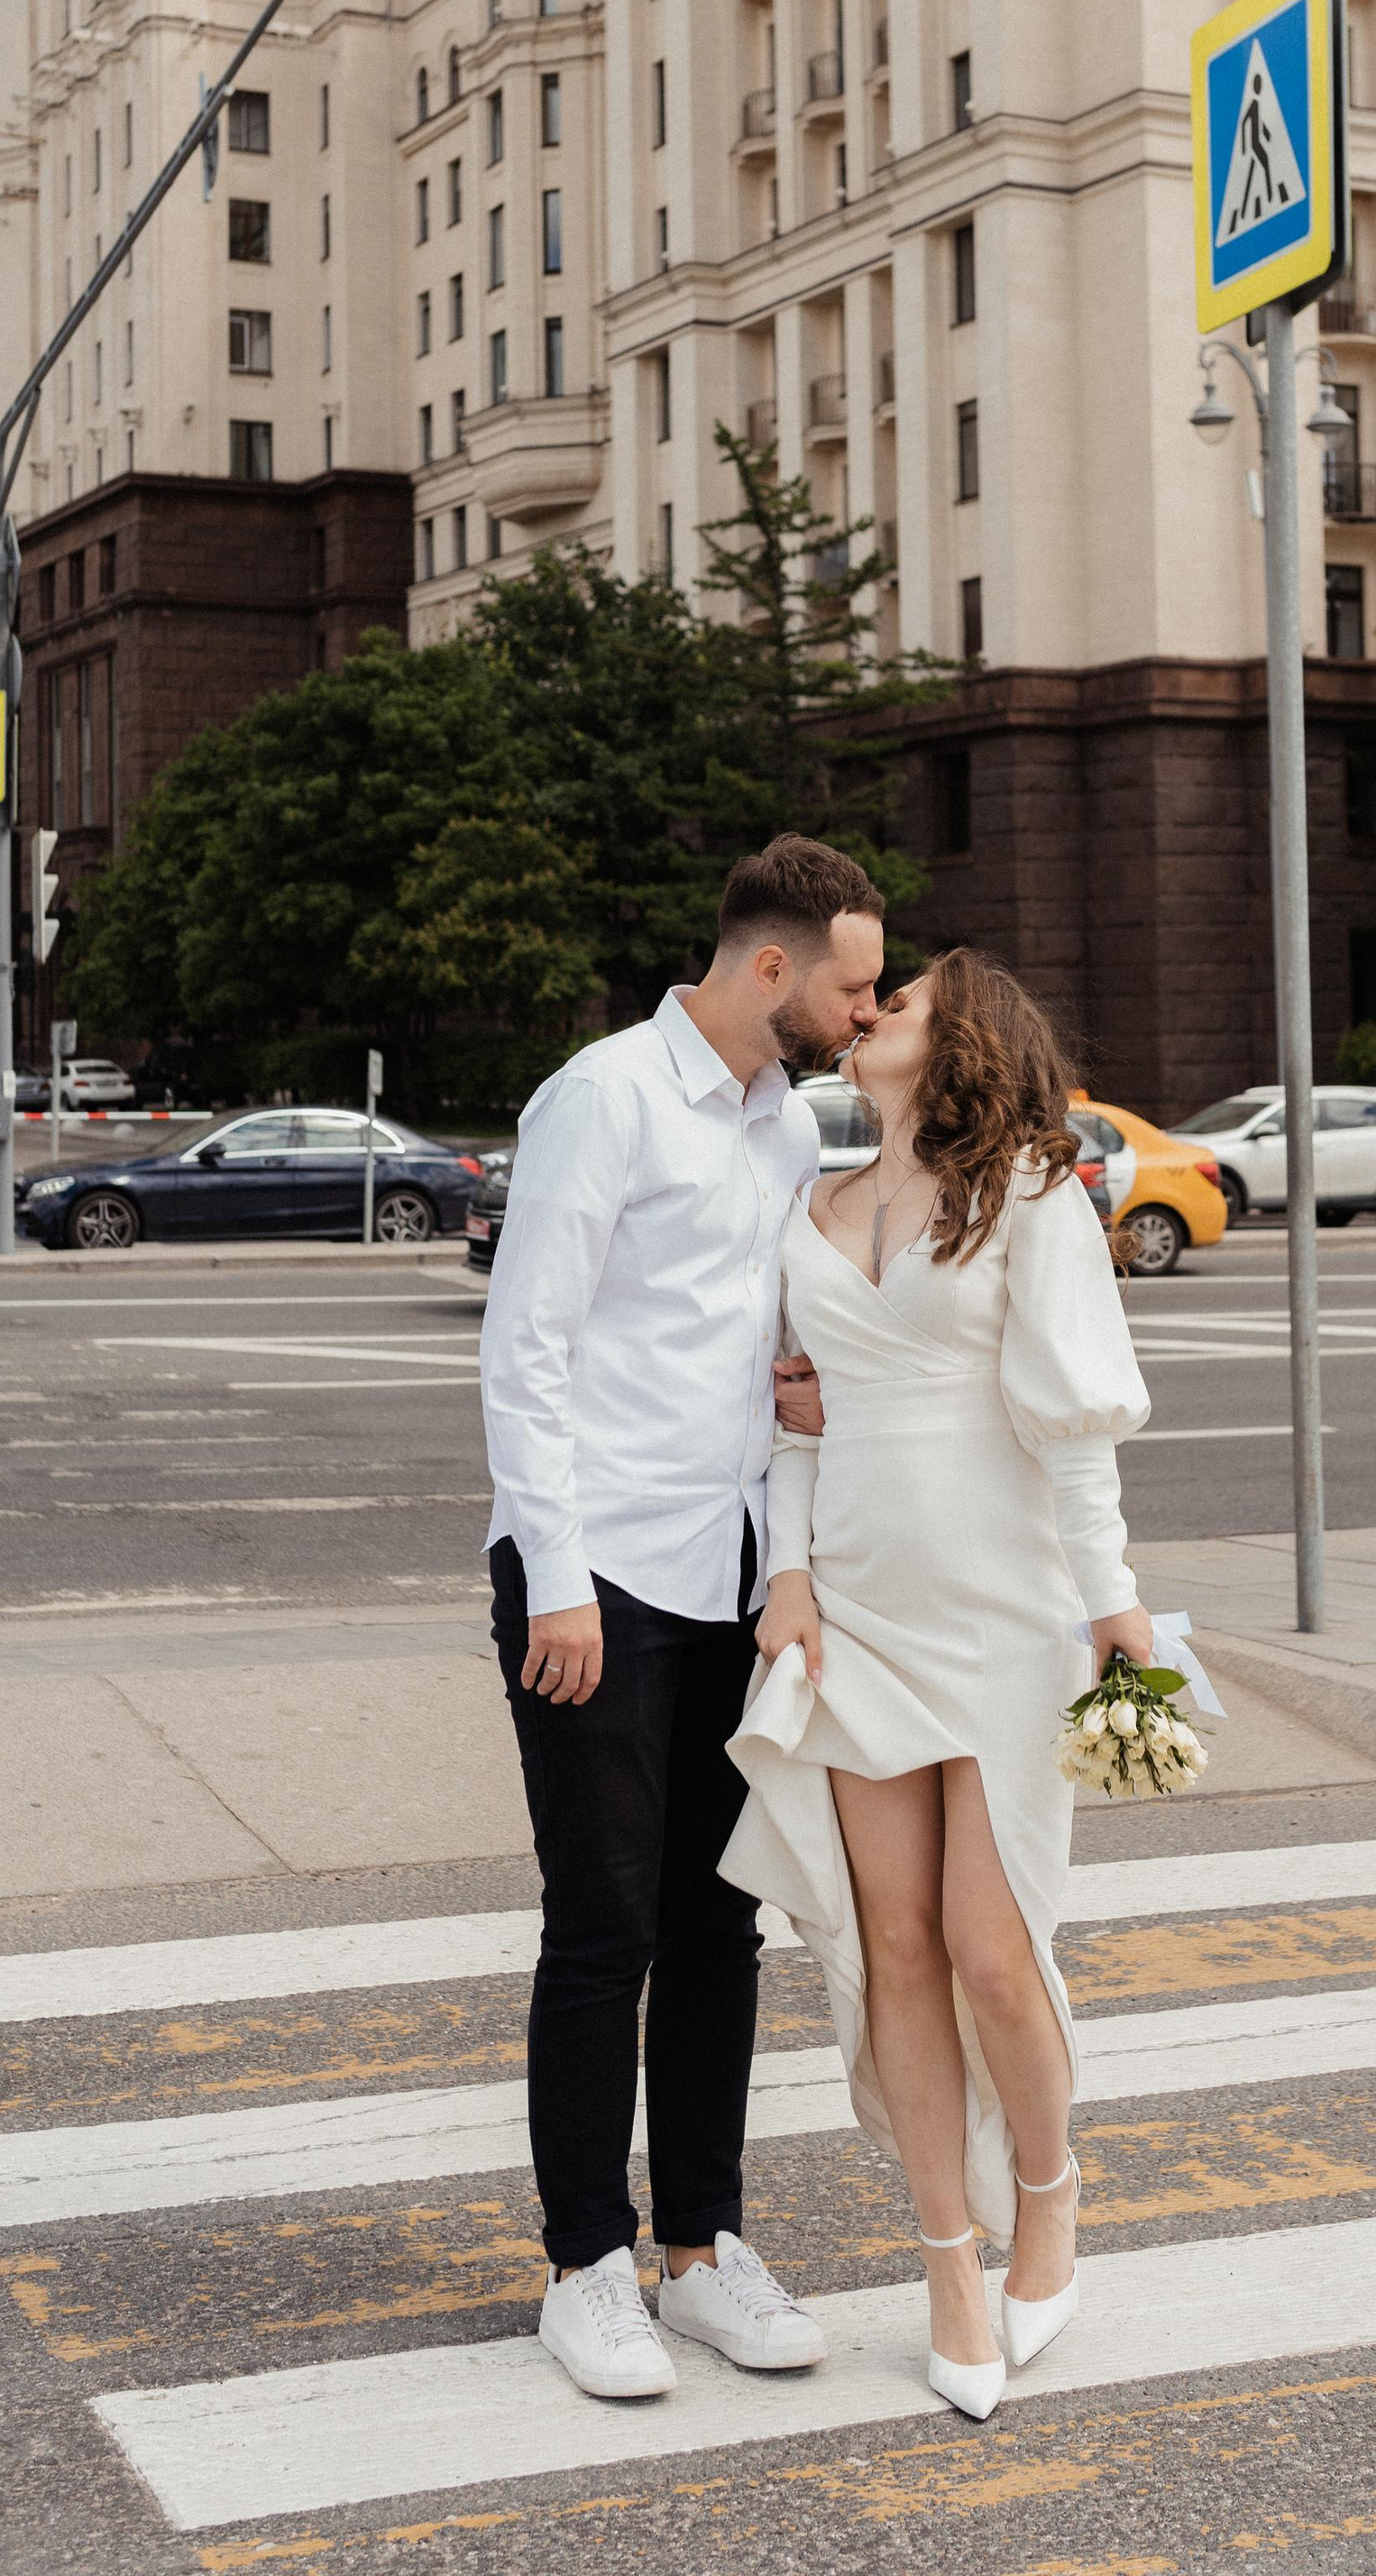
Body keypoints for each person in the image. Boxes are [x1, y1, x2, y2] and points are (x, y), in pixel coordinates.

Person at [479, 832, 887, 2403]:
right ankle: (586, 2268)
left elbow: (762, 1348)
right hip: (598, 1577)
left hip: (730, 1574)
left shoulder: (787, 1122)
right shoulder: (604, 1098)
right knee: (603, 1929)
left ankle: (703, 2253)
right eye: (850, 988)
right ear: (771, 966)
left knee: (721, 1922)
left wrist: (793, 1508)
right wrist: (558, 1579)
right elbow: (528, 1348)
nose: (865, 1015)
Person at [722, 949, 1154, 2420]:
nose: (868, 1015)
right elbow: (799, 1423)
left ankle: (1048, 2192)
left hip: (1011, 1614)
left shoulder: (1030, 1191)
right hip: (860, 1614)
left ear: (960, 1035)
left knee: (993, 1950)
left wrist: (1114, 1600)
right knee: (889, 1953)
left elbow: (1074, 1423)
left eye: (897, 1002)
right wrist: (788, 1581)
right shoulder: (815, 1204)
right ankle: (947, 2267)